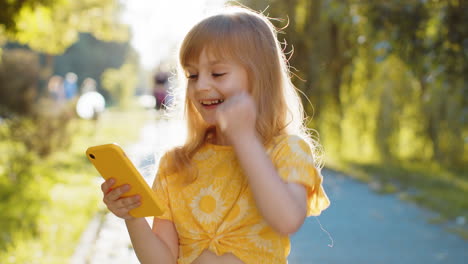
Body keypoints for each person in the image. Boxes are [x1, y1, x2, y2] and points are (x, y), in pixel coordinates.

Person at [100, 6, 330, 264]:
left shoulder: (287, 151)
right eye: (192, 75)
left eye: (217, 73)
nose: (202, 86)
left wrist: (244, 139)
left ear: (260, 77)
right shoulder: (176, 164)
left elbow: (287, 219)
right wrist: (133, 216)